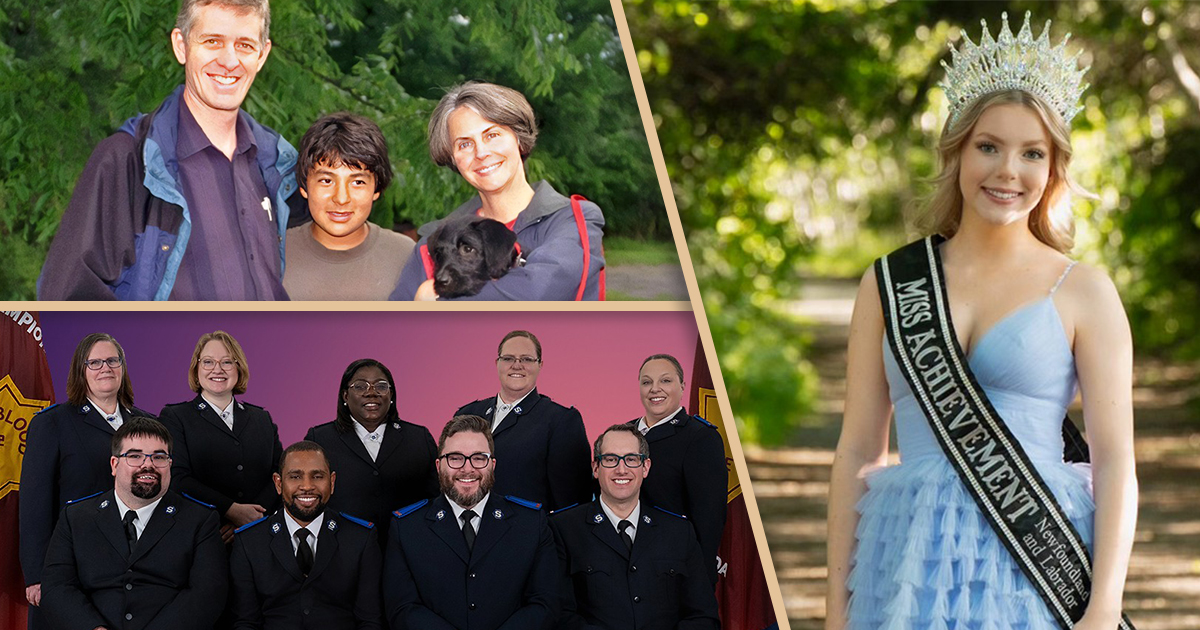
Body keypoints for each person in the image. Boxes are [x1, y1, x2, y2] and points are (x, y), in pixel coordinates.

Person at [826, 13, 1138, 630]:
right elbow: (859, 449)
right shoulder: (888, 284)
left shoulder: (1085, 292)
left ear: (1053, 168)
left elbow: (1116, 463)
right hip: (906, 563)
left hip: (1035, 564)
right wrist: (835, 610)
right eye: (989, 146)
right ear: (957, 150)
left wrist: (1102, 607)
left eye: (1032, 153)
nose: (1007, 172)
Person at [38, 0, 301, 300]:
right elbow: (64, 307)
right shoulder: (128, 163)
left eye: (244, 45)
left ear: (262, 55)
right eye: (212, 41)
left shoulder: (278, 167)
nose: (229, 61)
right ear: (181, 46)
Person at [389, 81, 605, 301]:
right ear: (453, 158)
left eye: (492, 135)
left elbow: (537, 292)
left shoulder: (573, 220)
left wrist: (435, 300)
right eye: (464, 144)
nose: (481, 152)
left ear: (519, 139)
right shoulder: (432, 243)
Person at [39, 416, 228, 630]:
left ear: (170, 465)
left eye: (159, 457)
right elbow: (57, 587)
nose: (148, 465)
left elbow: (208, 593)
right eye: (135, 456)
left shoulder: (200, 520)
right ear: (114, 464)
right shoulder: (75, 517)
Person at [19, 333, 152, 630]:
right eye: (94, 362)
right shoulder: (53, 423)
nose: (105, 367)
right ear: (81, 371)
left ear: (123, 368)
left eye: (112, 360)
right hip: (70, 568)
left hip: (136, 568)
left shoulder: (148, 425)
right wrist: (37, 576)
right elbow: (34, 505)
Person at [383, 415, 558, 630]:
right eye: (455, 458)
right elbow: (402, 608)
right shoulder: (406, 527)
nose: (468, 469)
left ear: (492, 465)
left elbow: (545, 604)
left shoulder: (531, 523)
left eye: (479, 458)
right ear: (439, 465)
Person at [549, 424, 720, 630]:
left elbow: (703, 617)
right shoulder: (563, 529)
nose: (622, 469)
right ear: (596, 468)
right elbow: (557, 614)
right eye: (611, 460)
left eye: (631, 459)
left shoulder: (679, 532)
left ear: (645, 467)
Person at [229, 441, 383, 629]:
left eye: (317, 476)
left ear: (332, 482)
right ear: (278, 483)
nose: (307, 486)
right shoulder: (249, 541)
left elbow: (369, 621)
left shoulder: (361, 538)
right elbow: (246, 622)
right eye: (295, 477)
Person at [159, 330, 283, 544]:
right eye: (208, 362)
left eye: (227, 362)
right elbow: (177, 479)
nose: (218, 369)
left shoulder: (261, 417)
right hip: (206, 536)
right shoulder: (176, 417)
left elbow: (280, 473)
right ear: (196, 368)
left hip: (261, 536)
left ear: (238, 367)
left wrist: (251, 518)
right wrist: (231, 510)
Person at [455, 330, 594, 511]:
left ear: (540, 365)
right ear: (497, 363)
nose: (517, 365)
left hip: (526, 534)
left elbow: (572, 502)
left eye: (527, 359)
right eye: (508, 358)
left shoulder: (560, 421)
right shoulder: (467, 414)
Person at [305, 359, 439, 545]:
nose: (371, 392)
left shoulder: (419, 438)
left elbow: (436, 500)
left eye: (381, 386)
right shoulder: (319, 439)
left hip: (408, 550)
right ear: (345, 395)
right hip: (340, 552)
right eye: (360, 386)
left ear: (391, 394)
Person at [284, 112, 415, 300]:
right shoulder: (274, 254)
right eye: (326, 180)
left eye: (358, 182)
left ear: (376, 189)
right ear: (304, 186)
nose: (341, 198)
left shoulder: (405, 256)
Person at [627, 354, 726, 586]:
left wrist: (698, 580)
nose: (655, 389)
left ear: (682, 386)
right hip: (623, 566)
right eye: (646, 382)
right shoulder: (622, 434)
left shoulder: (701, 438)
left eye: (665, 381)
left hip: (672, 570)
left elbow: (709, 518)